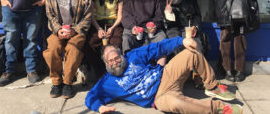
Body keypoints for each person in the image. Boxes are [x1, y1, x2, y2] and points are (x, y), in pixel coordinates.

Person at [85, 38, 243, 114]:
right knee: (176, 103)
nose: (115, 62)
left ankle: (212, 86)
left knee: (191, 53)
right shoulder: (107, 83)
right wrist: (100, 107)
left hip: (166, 76)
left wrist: (182, 40)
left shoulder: (133, 56)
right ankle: (219, 109)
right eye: (110, 61)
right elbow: (90, 97)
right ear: (105, 63)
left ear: (121, 54)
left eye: (117, 58)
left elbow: (158, 47)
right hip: (158, 98)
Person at [43, 0, 92, 99]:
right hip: (58, 31)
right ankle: (57, 82)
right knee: (52, 47)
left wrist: (74, 30)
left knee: (73, 48)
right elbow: (50, 15)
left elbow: (88, 15)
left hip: (77, 31)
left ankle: (68, 83)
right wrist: (59, 30)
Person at [161, 0, 208, 89]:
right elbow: (165, 22)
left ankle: (197, 74)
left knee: (195, 44)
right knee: (174, 43)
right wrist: (168, 13)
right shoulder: (164, 0)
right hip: (174, 27)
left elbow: (197, 15)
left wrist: (195, 27)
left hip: (188, 25)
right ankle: (181, 74)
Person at [84, 0, 123, 80]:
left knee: (116, 43)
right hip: (98, 24)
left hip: (113, 23)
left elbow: (120, 15)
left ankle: (115, 72)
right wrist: (98, 29)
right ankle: (99, 71)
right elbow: (91, 14)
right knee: (91, 43)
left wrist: (112, 28)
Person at [121, 0, 166, 65]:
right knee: (126, 39)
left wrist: (155, 25)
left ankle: (159, 72)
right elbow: (126, 15)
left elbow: (159, 15)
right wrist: (133, 27)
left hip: (151, 29)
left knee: (162, 39)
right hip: (135, 28)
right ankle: (131, 69)